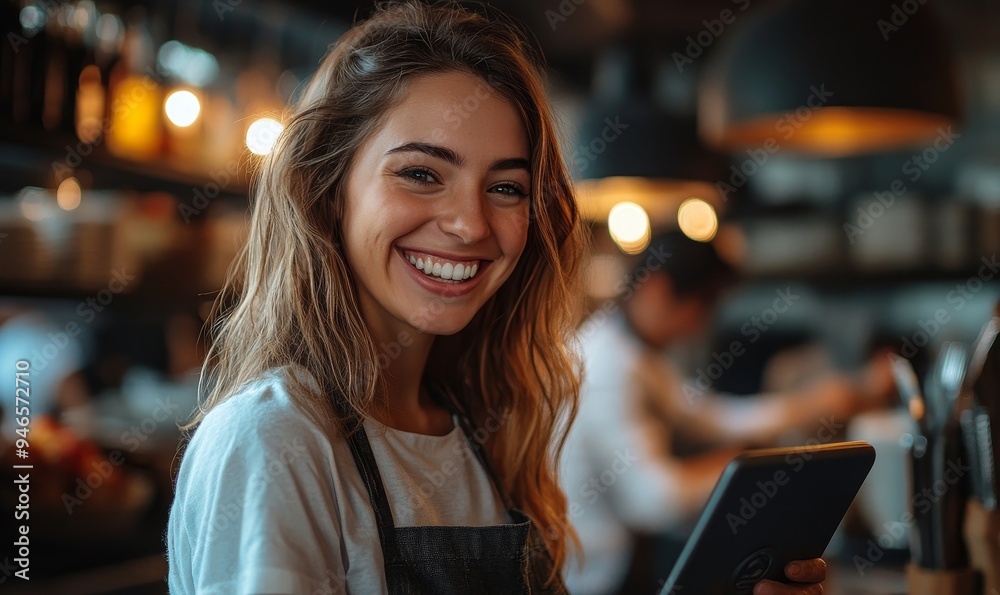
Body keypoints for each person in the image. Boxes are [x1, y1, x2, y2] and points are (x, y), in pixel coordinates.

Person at [167, 2, 831, 593]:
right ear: (328, 190)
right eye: (422, 173)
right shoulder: (275, 440)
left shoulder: (486, 428)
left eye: (507, 187)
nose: (472, 224)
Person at [561, 230, 893, 594]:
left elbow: (713, 417)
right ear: (656, 288)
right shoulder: (608, 368)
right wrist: (744, 466)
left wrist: (813, 403)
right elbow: (655, 500)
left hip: (624, 561)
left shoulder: (633, 351)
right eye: (704, 305)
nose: (701, 325)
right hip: (596, 577)